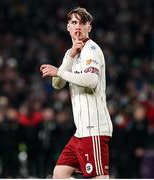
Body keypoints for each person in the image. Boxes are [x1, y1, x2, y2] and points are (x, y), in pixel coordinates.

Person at [40, 7, 113, 179]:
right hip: (81, 132)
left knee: (98, 177)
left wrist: (59, 71)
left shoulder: (91, 49)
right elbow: (57, 84)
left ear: (89, 27)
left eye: (82, 23)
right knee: (60, 174)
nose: (77, 27)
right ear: (68, 27)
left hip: (94, 128)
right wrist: (69, 57)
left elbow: (91, 80)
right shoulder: (71, 53)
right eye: (74, 23)